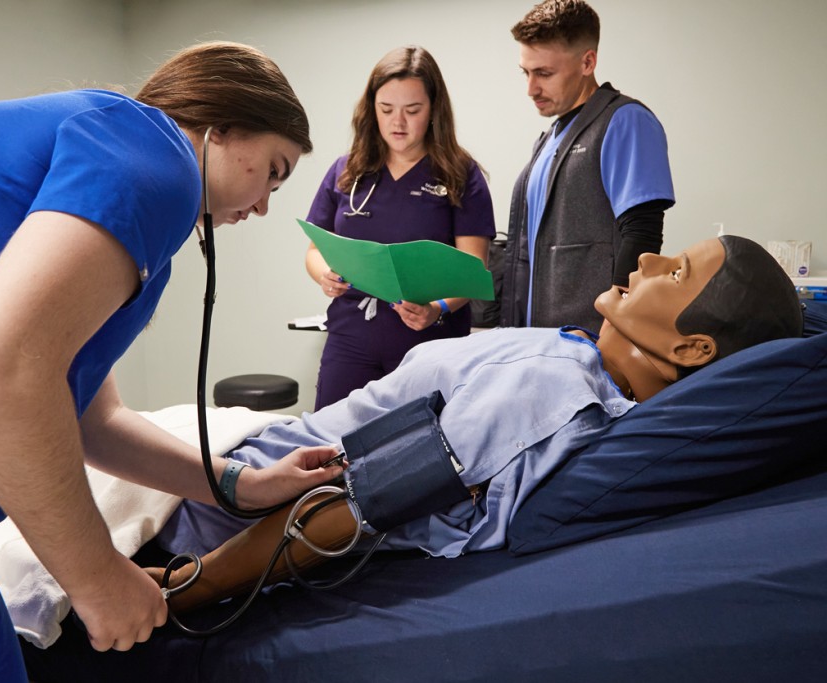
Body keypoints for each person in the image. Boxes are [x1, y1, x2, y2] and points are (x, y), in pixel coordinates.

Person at [0, 41, 346, 682]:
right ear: (221, 125)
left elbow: (91, 418)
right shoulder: (157, 161)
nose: (262, 207)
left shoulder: (103, 141)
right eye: (273, 171)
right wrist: (97, 578)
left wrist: (240, 485)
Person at [146, 235, 802, 614]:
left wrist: (181, 588)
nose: (649, 260)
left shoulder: (552, 390)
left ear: (693, 349)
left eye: (677, 271)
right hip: (226, 455)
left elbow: (354, 504)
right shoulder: (574, 354)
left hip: (198, 510)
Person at [305, 45, 496, 410]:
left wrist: (437, 308)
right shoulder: (347, 171)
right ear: (371, 109)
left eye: (412, 110)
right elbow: (315, 249)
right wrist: (324, 274)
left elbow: (474, 268)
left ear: (434, 110)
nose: (398, 122)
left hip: (430, 343)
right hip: (351, 336)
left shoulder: (460, 175)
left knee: (418, 455)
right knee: (330, 446)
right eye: (386, 109)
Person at [500, 0, 675, 332]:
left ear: (587, 61)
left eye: (544, 73)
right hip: (536, 340)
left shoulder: (626, 121)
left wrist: (617, 328)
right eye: (526, 72)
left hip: (590, 340)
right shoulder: (549, 139)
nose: (530, 88)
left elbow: (642, 233)